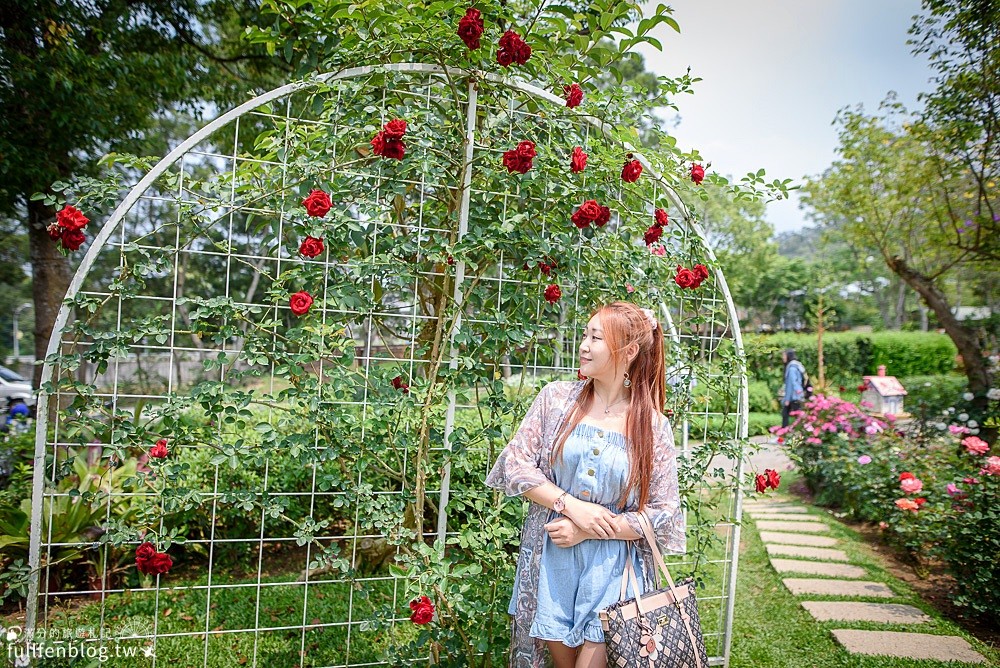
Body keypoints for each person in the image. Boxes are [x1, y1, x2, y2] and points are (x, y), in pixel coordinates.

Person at [486, 301, 686, 668]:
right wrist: (571, 506)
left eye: (595, 337)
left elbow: (664, 511)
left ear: (627, 352)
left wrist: (590, 531)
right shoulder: (556, 399)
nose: (583, 345)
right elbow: (515, 464)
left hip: (615, 572)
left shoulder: (651, 424)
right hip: (553, 563)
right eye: (584, 335)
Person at [781, 349, 806, 428]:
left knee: (788, 414)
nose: (783, 358)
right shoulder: (796, 366)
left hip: (794, 396)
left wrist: (787, 399)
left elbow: (791, 384)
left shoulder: (791, 368)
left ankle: (784, 434)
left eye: (784, 355)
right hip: (797, 395)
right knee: (796, 416)